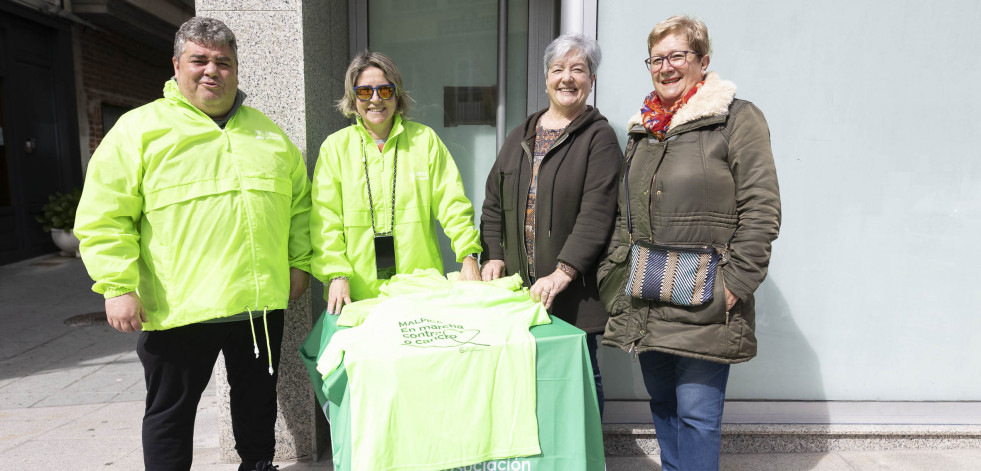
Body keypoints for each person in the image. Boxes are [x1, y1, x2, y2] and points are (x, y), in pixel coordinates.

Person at [74, 17, 311, 471]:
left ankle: (258, 465)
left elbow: (300, 205)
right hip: (179, 304)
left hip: (257, 304)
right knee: (171, 412)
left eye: (223, 62)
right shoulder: (138, 130)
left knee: (257, 400)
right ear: (176, 65)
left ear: (237, 70)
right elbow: (104, 214)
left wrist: (298, 263)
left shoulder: (266, 133)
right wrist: (116, 285)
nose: (211, 71)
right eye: (199, 60)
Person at [597, 15, 781, 471]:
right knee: (662, 406)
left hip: (705, 298)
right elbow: (626, 214)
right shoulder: (644, 129)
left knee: (698, 416)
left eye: (677, 55)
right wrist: (613, 274)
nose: (666, 67)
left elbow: (761, 209)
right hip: (648, 293)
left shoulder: (735, 118)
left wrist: (734, 283)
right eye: (657, 59)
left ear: (703, 61)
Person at [479, 33, 622, 414]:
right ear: (546, 78)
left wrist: (564, 272)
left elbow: (597, 215)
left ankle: (588, 456)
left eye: (579, 69)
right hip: (519, 293)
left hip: (573, 293)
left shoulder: (600, 138)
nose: (567, 78)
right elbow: (493, 202)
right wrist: (492, 254)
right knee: (527, 380)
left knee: (579, 378)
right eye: (558, 69)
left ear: (591, 80)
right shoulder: (520, 136)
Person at [311, 51, 482, 314]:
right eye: (365, 92)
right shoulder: (335, 148)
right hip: (358, 296)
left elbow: (453, 203)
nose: (376, 100)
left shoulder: (424, 141)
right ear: (353, 97)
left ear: (397, 94)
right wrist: (336, 275)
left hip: (421, 292)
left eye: (385, 90)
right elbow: (326, 219)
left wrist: (469, 257)